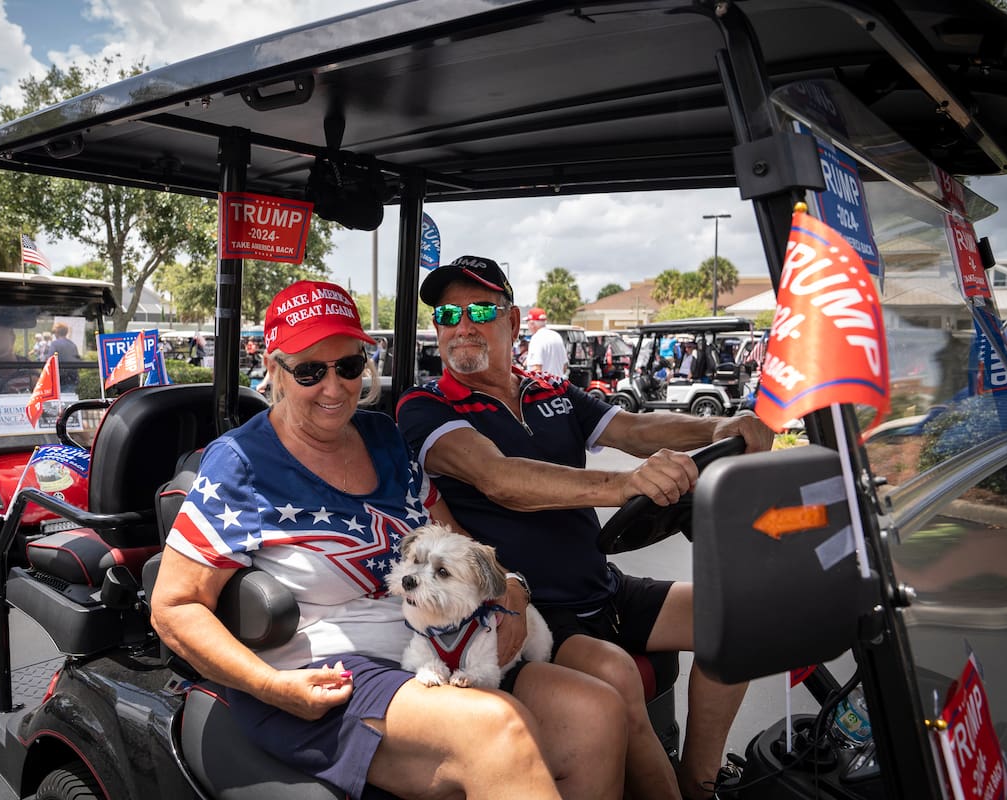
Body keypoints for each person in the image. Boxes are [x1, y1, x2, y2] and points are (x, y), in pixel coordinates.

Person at [151, 279, 626, 800]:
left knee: (594, 710)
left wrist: (510, 582)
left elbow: (454, 537)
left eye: (349, 366)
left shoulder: (382, 437)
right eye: (310, 371)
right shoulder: (240, 462)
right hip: (324, 674)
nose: (334, 388)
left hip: (438, 644)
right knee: (498, 726)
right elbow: (174, 607)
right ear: (276, 369)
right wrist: (272, 688)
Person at [397, 255, 775, 800]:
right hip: (537, 607)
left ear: (512, 321)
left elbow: (634, 427)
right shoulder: (426, 405)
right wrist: (625, 486)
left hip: (604, 585)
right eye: (446, 314)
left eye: (480, 309)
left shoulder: (546, 390)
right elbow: (500, 478)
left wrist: (719, 425)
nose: (462, 324)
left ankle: (701, 782)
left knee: (739, 617)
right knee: (617, 673)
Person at [524, 306, 568, 378]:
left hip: (544, 387)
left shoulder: (537, 338)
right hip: (559, 385)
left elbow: (536, 369)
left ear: (532, 324)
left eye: (528, 322)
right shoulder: (556, 336)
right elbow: (564, 366)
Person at [46, 323, 80, 391]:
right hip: (72, 377)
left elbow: (50, 360)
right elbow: (77, 359)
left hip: (59, 378)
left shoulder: (54, 344)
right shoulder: (72, 344)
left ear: (56, 333)